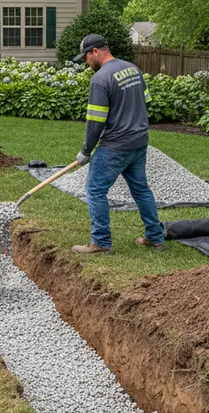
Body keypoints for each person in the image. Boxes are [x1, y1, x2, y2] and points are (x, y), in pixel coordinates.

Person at [71, 33, 166, 255]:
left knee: (95, 190)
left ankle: (101, 242)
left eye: (86, 57)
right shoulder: (132, 69)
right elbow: (145, 102)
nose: (86, 62)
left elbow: (95, 121)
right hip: (139, 141)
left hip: (115, 145)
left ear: (95, 51)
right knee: (141, 190)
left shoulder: (100, 79)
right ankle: (155, 238)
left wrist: (86, 150)